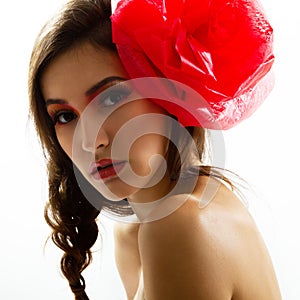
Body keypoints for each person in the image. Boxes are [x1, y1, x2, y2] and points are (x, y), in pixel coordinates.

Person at [28, 0, 281, 299]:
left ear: (169, 91)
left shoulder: (179, 225)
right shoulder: (135, 235)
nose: (89, 141)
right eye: (65, 116)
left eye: (110, 100)